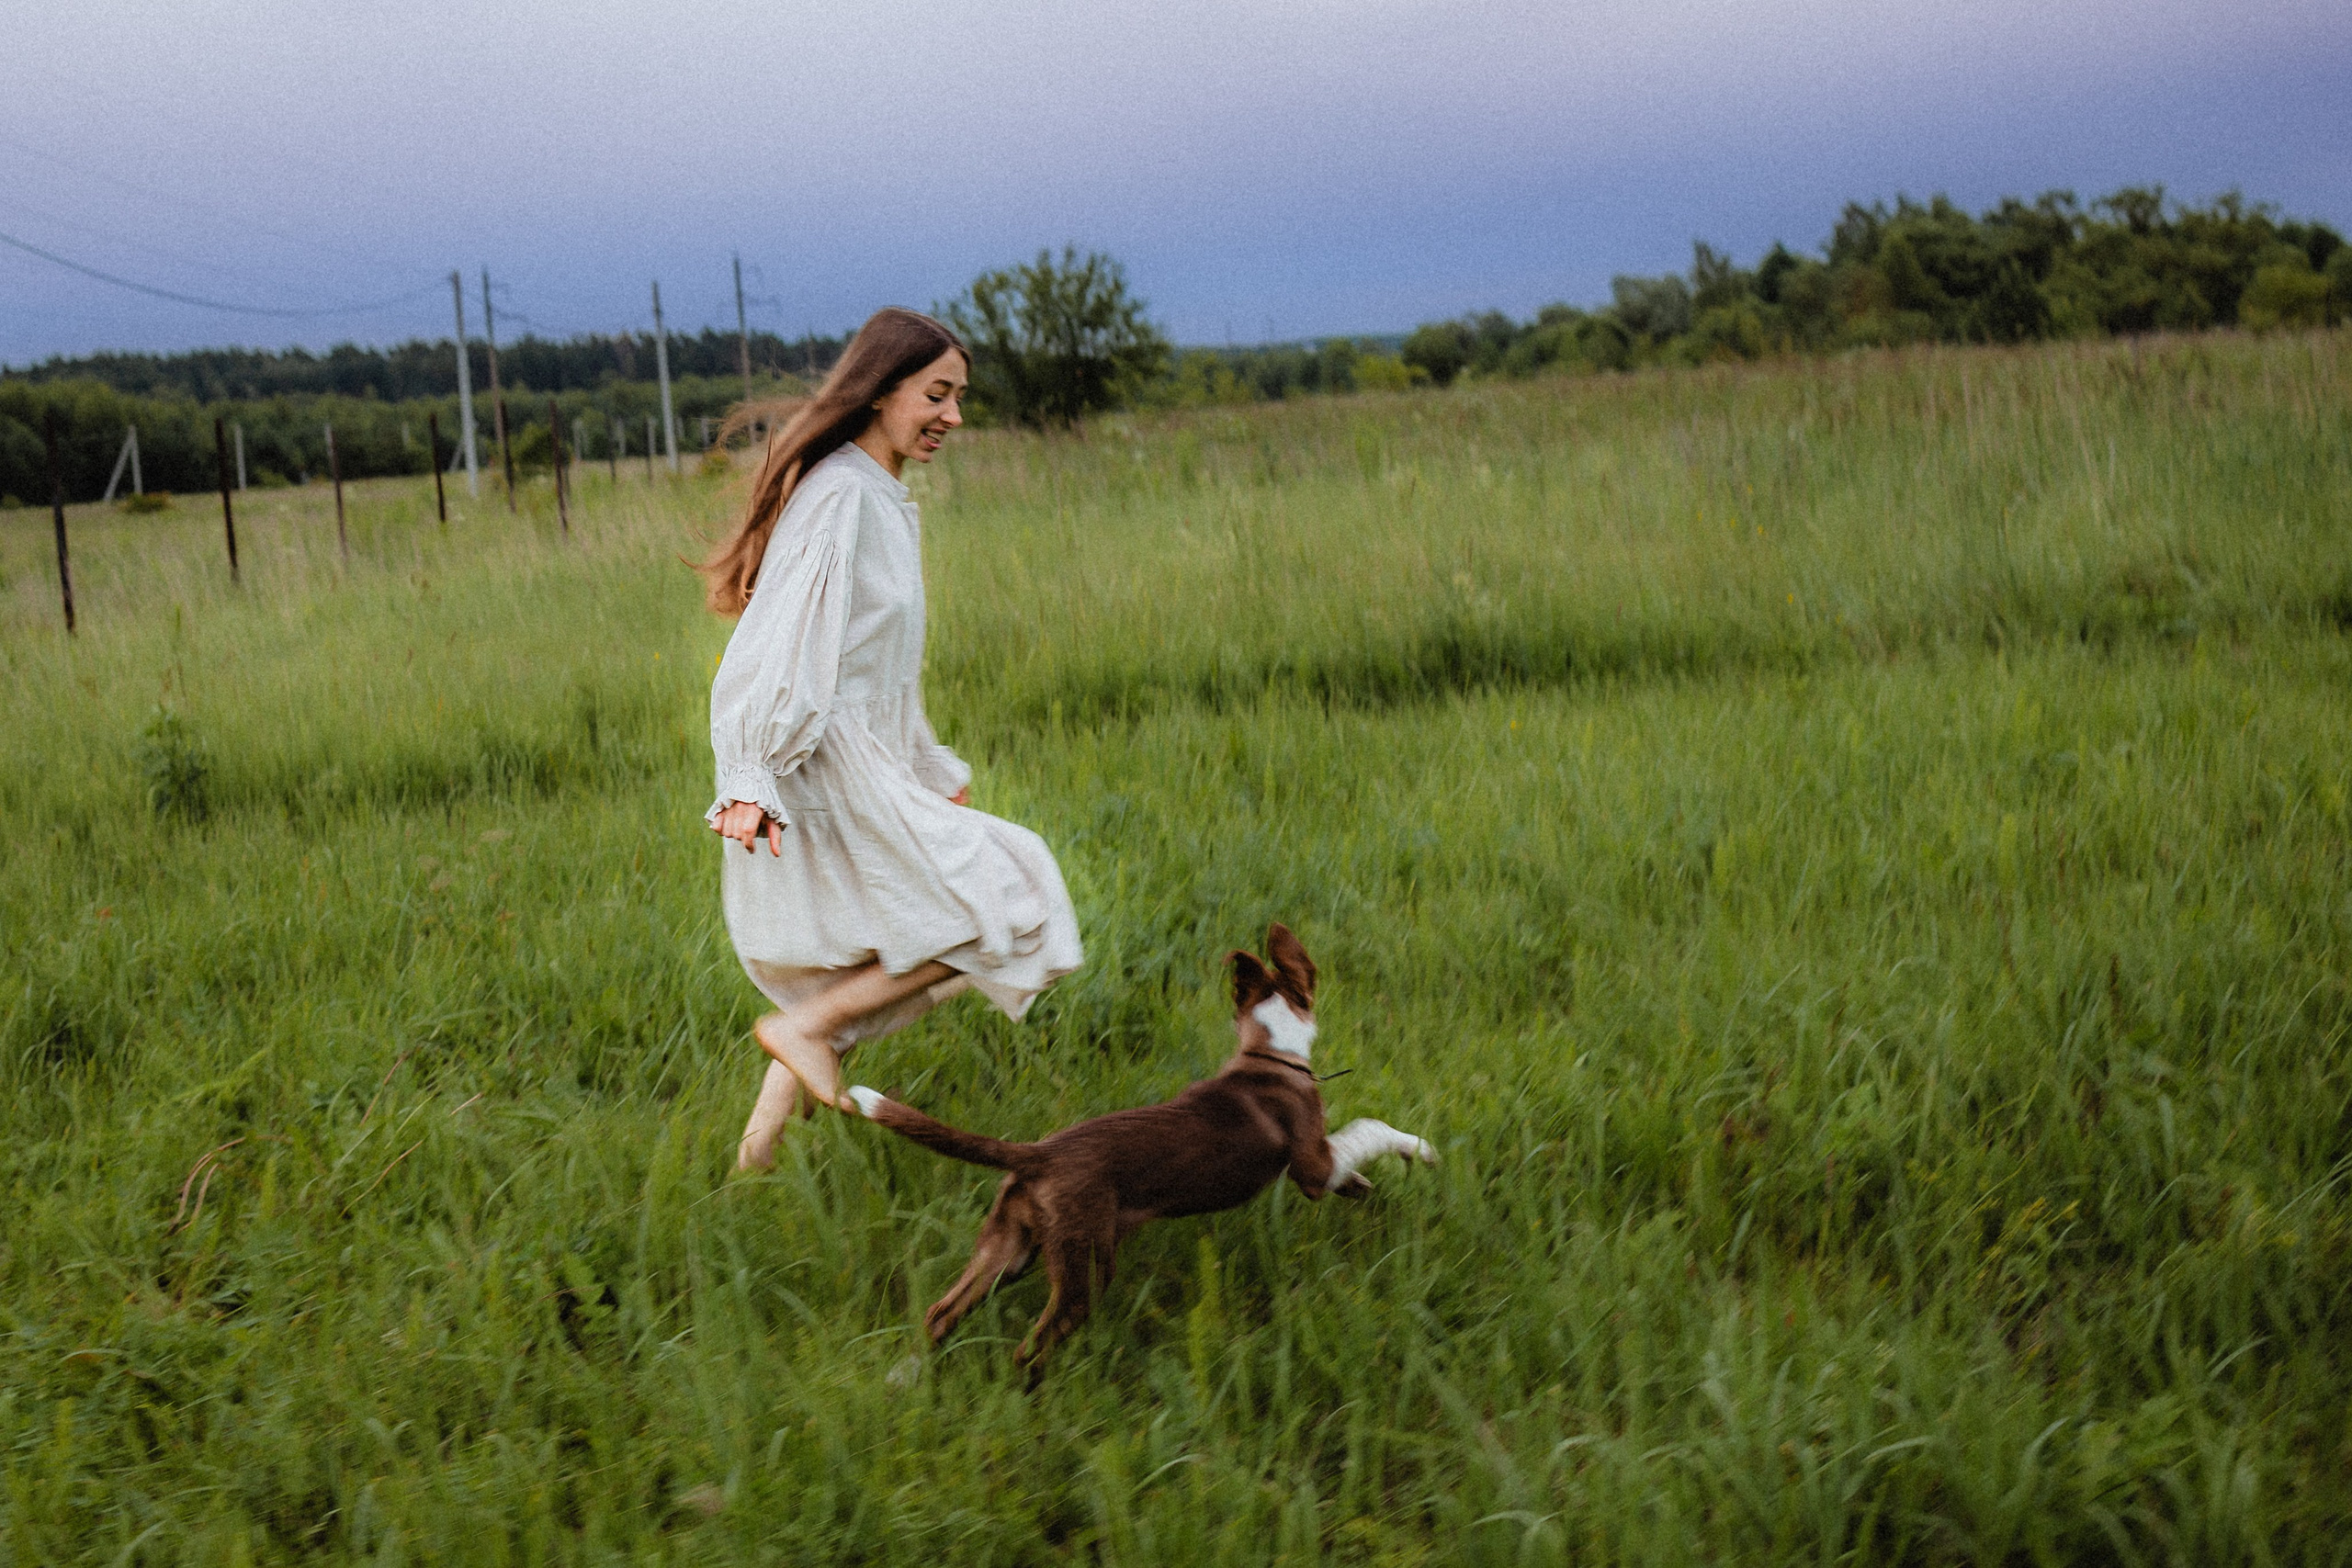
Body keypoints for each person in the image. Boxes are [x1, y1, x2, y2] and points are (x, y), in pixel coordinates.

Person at [701, 308, 1081, 1172]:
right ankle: (801, 1029)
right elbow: (776, 639)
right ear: (880, 391)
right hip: (818, 764)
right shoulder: (840, 495)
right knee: (1016, 890)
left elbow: (880, 663)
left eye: (959, 398)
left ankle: (751, 1165)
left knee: (888, 947)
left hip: (864, 760)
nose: (953, 416)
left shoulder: (875, 493)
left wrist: (922, 766)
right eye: (936, 394)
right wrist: (750, 771)